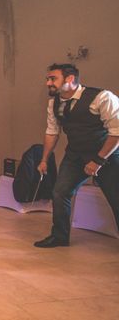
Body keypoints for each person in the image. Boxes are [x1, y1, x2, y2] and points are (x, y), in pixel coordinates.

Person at [34, 63, 119, 248]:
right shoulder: (54, 103)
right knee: (60, 192)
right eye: (48, 79)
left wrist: (98, 160)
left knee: (116, 197)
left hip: (107, 155)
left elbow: (116, 132)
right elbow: (52, 132)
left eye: (53, 78)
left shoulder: (102, 97)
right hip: (75, 155)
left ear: (70, 79)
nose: (48, 82)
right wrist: (44, 159)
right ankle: (59, 237)